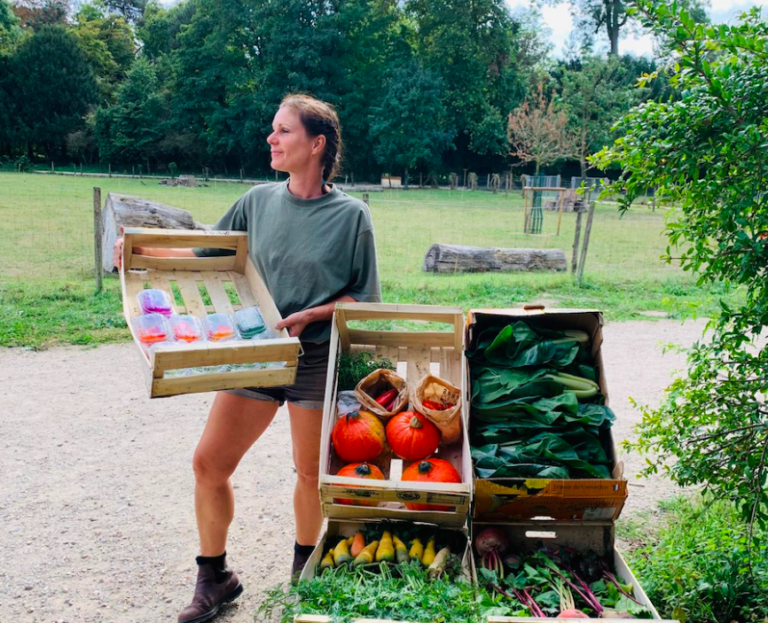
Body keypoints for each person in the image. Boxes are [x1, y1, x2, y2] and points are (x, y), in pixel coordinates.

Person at [113, 94, 381, 623]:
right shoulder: (256, 201)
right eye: (273, 130)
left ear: (316, 144)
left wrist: (315, 314)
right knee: (209, 464)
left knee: (310, 473)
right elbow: (207, 250)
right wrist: (140, 252)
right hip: (255, 353)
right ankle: (215, 577)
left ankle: (303, 578)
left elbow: (364, 298)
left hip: (313, 359)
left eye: (283, 131)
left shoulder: (352, 216)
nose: (271, 139)